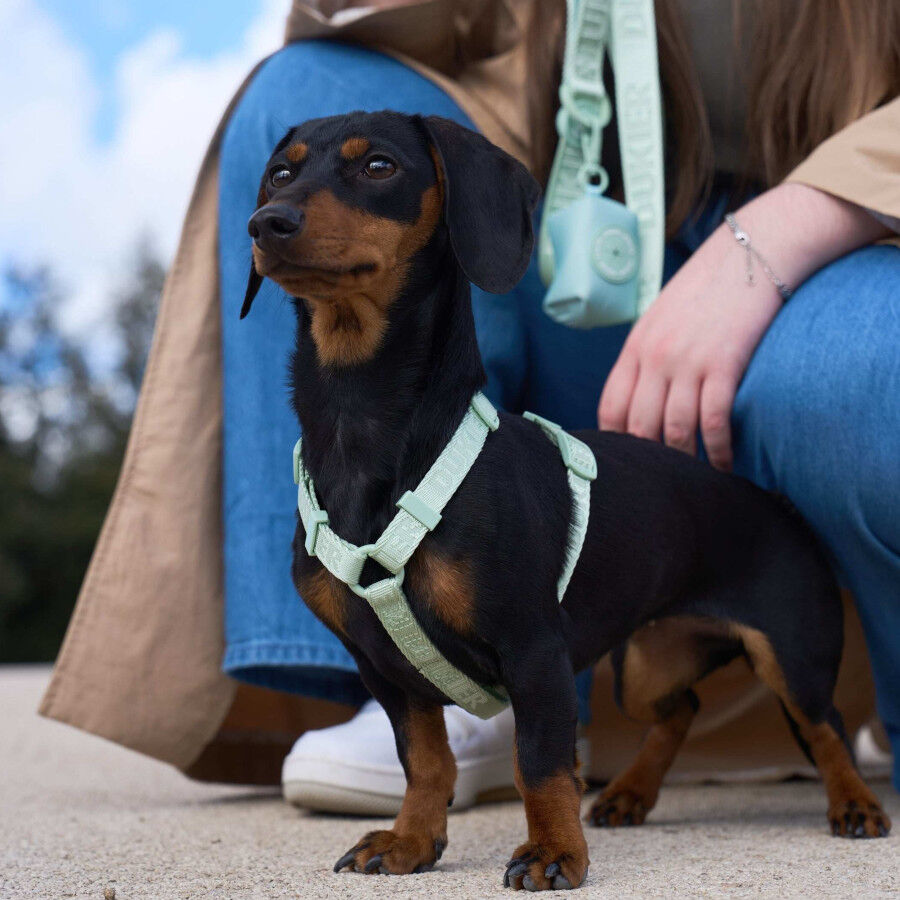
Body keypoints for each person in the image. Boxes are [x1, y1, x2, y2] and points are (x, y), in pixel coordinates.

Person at [43, 0, 900, 804]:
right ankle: (424, 676)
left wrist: (779, 232)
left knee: (853, 379)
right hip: (577, 220)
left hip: (849, 228)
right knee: (307, 89)